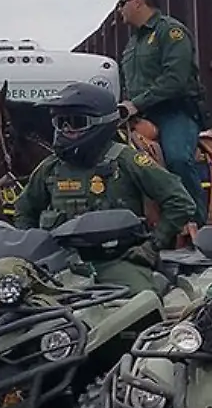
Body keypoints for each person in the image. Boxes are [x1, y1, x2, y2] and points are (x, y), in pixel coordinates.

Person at [11, 82, 199, 297]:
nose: (65, 130)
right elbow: (24, 209)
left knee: (140, 305)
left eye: (75, 122)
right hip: (58, 263)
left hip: (116, 262)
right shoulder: (50, 168)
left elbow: (180, 201)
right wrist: (30, 251)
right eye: (59, 123)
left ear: (101, 124)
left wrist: (152, 246)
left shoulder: (128, 160)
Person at [112, 0, 212, 224]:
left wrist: (136, 103)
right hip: (138, 118)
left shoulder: (170, 32)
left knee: (177, 157)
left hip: (174, 113)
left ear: (138, 0)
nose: (120, 11)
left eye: (122, 4)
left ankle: (195, 223)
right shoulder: (132, 44)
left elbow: (175, 79)